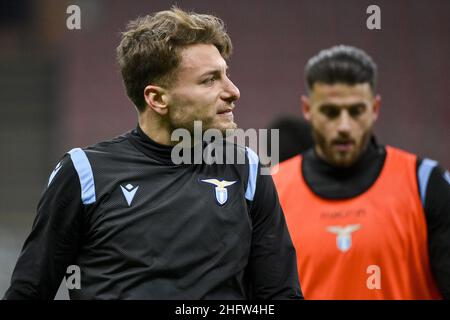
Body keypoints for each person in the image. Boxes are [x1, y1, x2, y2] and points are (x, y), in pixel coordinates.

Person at [4, 7, 301, 300]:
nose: (233, 91)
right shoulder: (84, 173)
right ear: (157, 98)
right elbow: (29, 292)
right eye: (209, 80)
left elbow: (279, 295)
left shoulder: (246, 169)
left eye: (226, 75)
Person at [272, 45, 450, 299]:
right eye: (331, 112)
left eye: (356, 111)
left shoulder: (424, 183)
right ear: (308, 110)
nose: (344, 126)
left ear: (375, 109)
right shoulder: (273, 189)